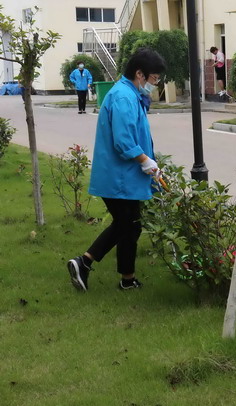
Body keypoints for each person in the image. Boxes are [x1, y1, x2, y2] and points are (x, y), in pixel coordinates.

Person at [67, 48, 166, 291]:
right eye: (154, 78)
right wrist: (145, 160)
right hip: (118, 177)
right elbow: (123, 141)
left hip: (126, 176)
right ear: (140, 74)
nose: (155, 84)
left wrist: (148, 162)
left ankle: (127, 279)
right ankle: (84, 262)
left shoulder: (130, 93)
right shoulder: (123, 96)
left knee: (131, 226)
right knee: (125, 224)